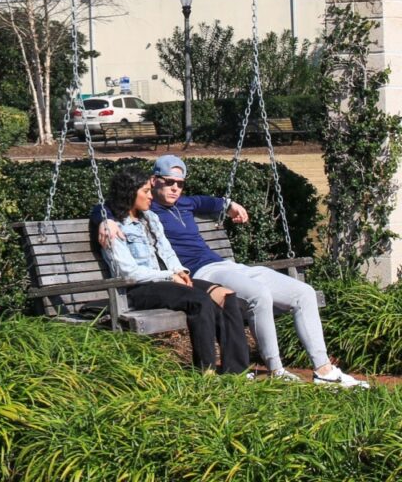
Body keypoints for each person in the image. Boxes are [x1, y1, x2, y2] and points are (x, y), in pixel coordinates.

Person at [96, 155, 369, 389]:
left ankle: (323, 371)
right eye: (168, 182)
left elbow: (212, 202)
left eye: (180, 183)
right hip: (203, 272)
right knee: (259, 295)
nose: (175, 188)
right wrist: (104, 218)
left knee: (304, 292)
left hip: (226, 264)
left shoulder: (183, 204)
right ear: (153, 182)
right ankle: (276, 370)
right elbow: (113, 202)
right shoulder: (147, 206)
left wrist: (230, 204)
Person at [96, 167, 249, 374]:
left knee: (227, 297)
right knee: (199, 300)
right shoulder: (113, 228)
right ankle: (206, 373)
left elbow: (166, 251)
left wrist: (179, 270)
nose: (151, 196)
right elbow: (128, 273)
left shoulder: (149, 218)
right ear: (130, 193)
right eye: (146, 191)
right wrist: (169, 275)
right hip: (135, 289)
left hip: (163, 282)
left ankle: (236, 373)